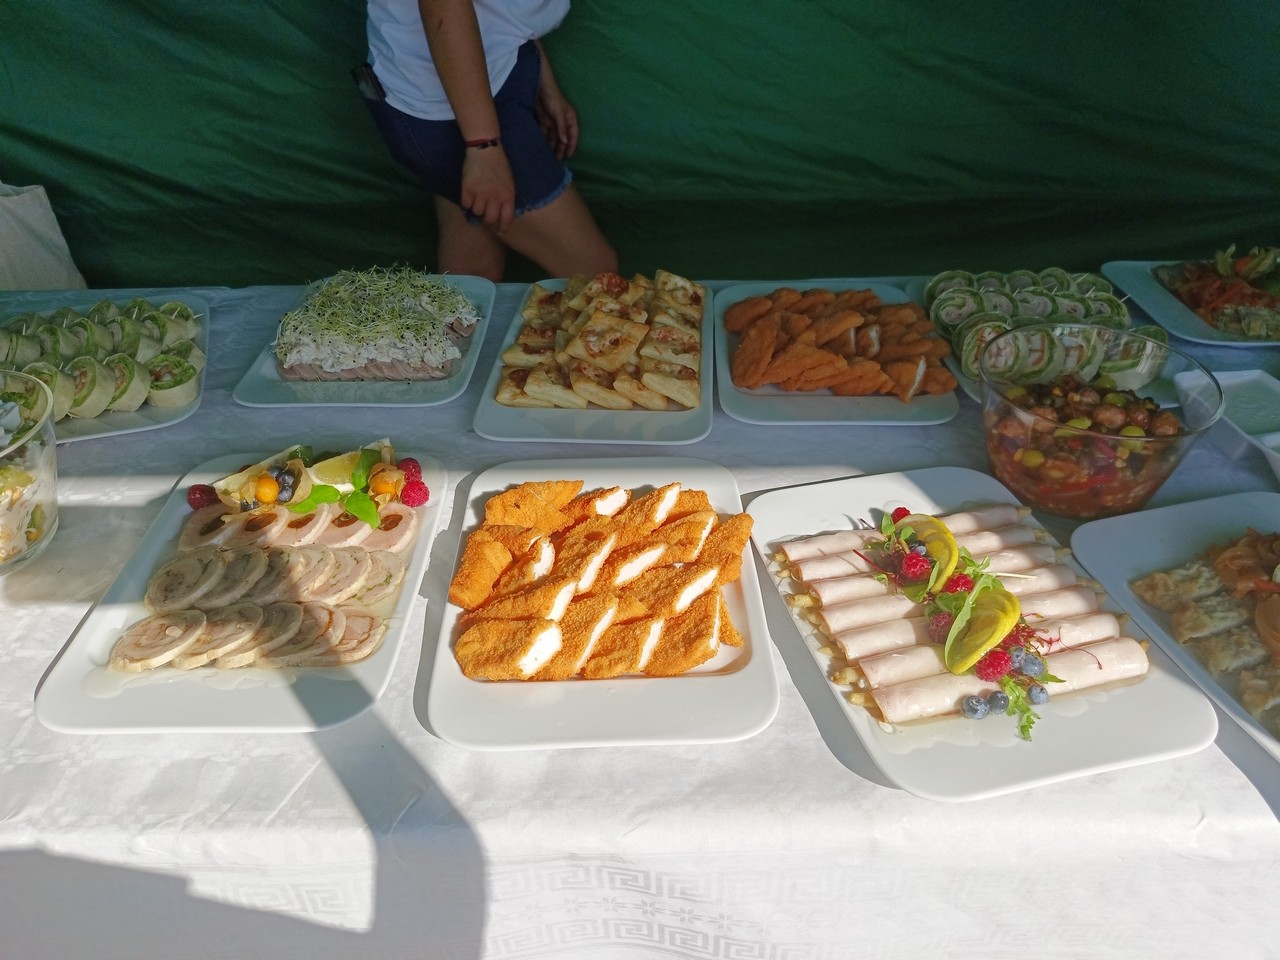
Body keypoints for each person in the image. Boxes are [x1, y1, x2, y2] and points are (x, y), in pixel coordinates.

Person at [363, 0, 617, 282]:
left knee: (473, 272)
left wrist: (542, 80)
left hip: (488, 72)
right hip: (448, 104)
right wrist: (483, 145)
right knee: (593, 272)